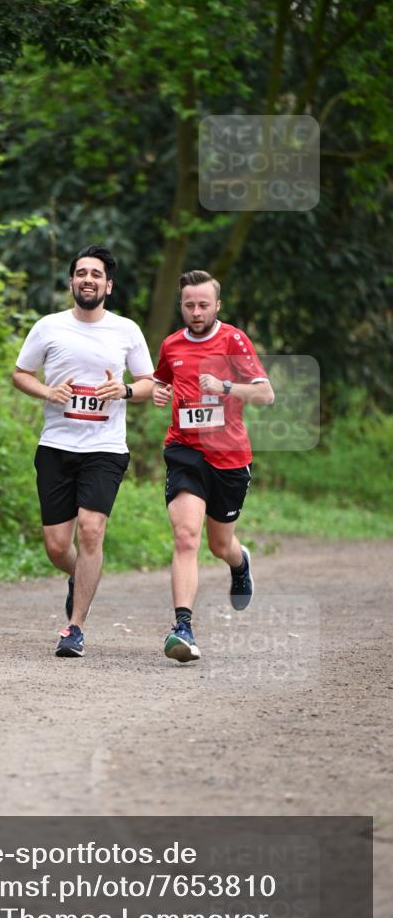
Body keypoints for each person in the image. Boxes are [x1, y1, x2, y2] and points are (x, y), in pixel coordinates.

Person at [13, 244, 154, 658]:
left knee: (92, 529)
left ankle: (74, 629)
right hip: (56, 445)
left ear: (108, 285)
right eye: (81, 273)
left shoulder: (126, 330)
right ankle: (82, 578)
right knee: (58, 547)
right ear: (72, 281)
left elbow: (149, 382)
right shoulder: (48, 327)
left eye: (96, 274)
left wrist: (124, 389)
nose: (87, 279)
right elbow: (21, 374)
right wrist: (47, 391)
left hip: (105, 448)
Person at [153, 269, 275, 663]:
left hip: (229, 457)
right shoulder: (171, 344)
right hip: (185, 452)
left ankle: (240, 564)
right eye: (189, 304)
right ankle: (183, 627)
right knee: (186, 536)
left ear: (216, 305)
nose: (196, 311)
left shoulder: (233, 339)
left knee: (220, 544)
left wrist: (223, 387)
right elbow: (162, 382)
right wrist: (159, 392)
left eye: (203, 304)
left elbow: (265, 395)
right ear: (182, 305)